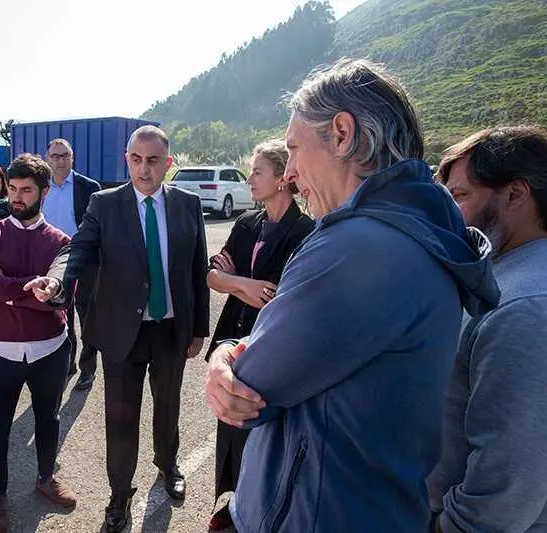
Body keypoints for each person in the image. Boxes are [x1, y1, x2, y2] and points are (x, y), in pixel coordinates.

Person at [204, 58, 500, 532]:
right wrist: (233, 353)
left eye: (295, 150)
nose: (291, 173)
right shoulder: (422, 231)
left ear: (342, 134)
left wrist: (226, 356)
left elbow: (252, 387)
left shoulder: (356, 246)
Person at [25, 125, 210, 533]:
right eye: (136, 159)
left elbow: (197, 268)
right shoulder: (104, 204)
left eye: (153, 160)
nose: (144, 169)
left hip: (170, 329)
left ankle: (168, 465)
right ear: (127, 158)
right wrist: (58, 282)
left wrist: (199, 328)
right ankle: (120, 493)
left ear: (168, 162)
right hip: (122, 333)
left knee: (168, 408)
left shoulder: (187, 204)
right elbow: (80, 248)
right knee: (121, 419)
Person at [427, 126, 547, 533]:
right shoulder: (503, 276)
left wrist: (448, 526)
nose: (448, 214)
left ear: (515, 195)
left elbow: (510, 480)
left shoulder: (522, 307)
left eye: (460, 196)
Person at [204, 140, 314, 531]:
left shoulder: (305, 232)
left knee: (261, 430)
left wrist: (233, 282)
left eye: (257, 171)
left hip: (269, 345)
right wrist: (242, 284)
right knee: (228, 429)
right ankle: (231, 502)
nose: (249, 179)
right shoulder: (246, 223)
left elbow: (281, 292)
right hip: (231, 338)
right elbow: (212, 276)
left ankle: (257, 509)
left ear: (283, 179)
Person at [0, 153, 78, 533]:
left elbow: (63, 294)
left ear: (44, 192)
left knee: (48, 419)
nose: (16, 197)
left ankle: (45, 477)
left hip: (50, 349)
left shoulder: (62, 242)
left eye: (26, 190)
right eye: (12, 189)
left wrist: (12, 287)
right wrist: (30, 287)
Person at [42, 138, 102, 390]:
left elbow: (99, 227)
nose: (60, 160)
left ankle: (88, 368)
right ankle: (68, 363)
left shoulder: (88, 187)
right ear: (47, 159)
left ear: (72, 157)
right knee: (60, 316)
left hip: (84, 260)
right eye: (55, 156)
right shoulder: (40, 187)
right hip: (51, 262)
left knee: (88, 316)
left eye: (64, 155)